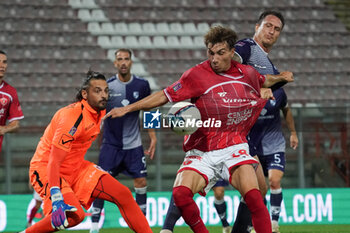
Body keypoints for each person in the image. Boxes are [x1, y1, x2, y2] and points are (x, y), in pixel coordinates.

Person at [104, 26, 293, 233]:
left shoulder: (247, 73)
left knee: (255, 196)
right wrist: (128, 109)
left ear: (232, 52)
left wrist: (281, 78)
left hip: (234, 145)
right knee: (180, 194)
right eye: (211, 53)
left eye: (221, 53)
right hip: (203, 149)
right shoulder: (196, 74)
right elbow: (163, 96)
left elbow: (263, 79)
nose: (214, 59)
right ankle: (170, 228)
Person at [20, 70, 152, 233]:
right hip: (47, 168)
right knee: (76, 216)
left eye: (105, 91)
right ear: (84, 94)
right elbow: (54, 161)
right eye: (97, 91)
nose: (103, 95)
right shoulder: (72, 118)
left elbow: (144, 102)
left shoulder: (101, 109)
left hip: (77, 168)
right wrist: (56, 195)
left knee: (123, 194)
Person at [232, 10, 298, 233]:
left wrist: (273, 82)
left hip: (244, 135)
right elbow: (230, 63)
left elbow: (282, 104)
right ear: (256, 27)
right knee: (196, 184)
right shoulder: (247, 47)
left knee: (259, 189)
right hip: (227, 130)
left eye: (276, 29)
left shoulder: (270, 68)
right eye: (268, 25)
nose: (271, 31)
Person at [90, 48, 156, 233]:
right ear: (115, 63)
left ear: (131, 62)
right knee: (100, 184)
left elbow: (149, 110)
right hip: (111, 146)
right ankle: (94, 227)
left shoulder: (142, 85)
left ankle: (142, 224)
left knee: (141, 182)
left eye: (126, 59)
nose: (124, 62)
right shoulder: (108, 87)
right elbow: (98, 113)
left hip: (134, 146)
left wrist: (152, 136)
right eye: (120, 59)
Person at [161, 179, 231, 233]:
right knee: (182, 191)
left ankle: (224, 223)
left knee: (219, 192)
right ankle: (167, 228)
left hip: (217, 163)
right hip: (199, 162)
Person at [0, 50, 24, 154]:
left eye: (4, 62)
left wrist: (4, 129)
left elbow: (16, 124)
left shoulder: (10, 91)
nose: (2, 65)